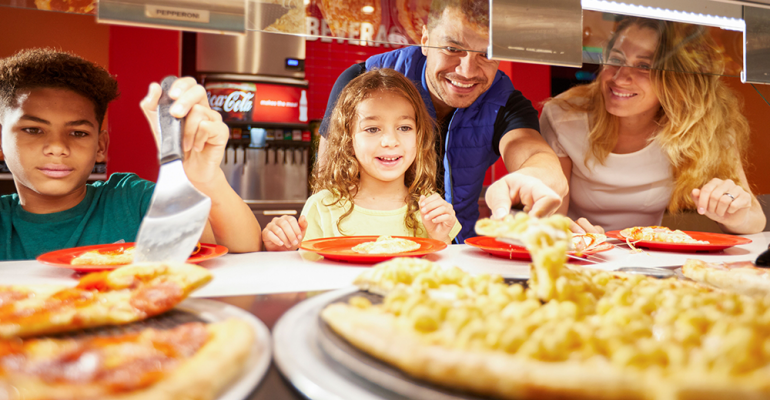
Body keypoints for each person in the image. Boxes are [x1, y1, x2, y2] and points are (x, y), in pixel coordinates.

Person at [316, 0, 567, 242]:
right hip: (364, 246)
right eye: (453, 49)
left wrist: (532, 179)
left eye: (487, 54)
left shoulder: (505, 101)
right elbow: (327, 179)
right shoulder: (361, 80)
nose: (467, 71)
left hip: (456, 251)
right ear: (425, 40)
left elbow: (536, 155)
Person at [0, 48, 262, 260]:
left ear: (101, 146)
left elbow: (240, 252)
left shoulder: (132, 199)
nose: (57, 147)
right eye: (33, 130)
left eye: (78, 133)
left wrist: (205, 179)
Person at [541, 17, 766, 234]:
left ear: (679, 79)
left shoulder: (707, 125)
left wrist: (735, 215)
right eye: (616, 59)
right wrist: (564, 232)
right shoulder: (564, 116)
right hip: (575, 255)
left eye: (643, 66)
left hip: (645, 257)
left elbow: (755, 219)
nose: (619, 77)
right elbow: (551, 212)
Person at [262, 68, 461, 251]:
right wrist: (281, 250)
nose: (390, 141)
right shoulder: (322, 207)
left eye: (404, 127)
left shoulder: (430, 207)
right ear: (348, 140)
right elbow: (305, 278)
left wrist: (440, 238)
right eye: (372, 129)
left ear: (420, 136)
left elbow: (446, 279)